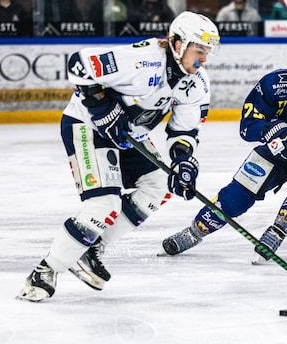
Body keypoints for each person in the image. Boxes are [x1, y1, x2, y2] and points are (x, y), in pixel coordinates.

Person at [16, 11, 221, 302]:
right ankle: (45, 270)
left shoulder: (197, 83)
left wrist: (183, 160)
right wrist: (103, 108)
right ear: (178, 44)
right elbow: (79, 64)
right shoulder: (144, 59)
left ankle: (90, 248)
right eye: (199, 50)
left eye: (207, 52)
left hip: (129, 137)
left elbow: (184, 130)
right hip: (86, 125)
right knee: (104, 204)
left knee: (160, 185)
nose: (203, 58)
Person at [160, 37, 287, 265]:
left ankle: (277, 232)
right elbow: (247, 126)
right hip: (282, 150)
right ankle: (194, 232)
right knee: (237, 195)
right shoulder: (273, 84)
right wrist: (270, 129)